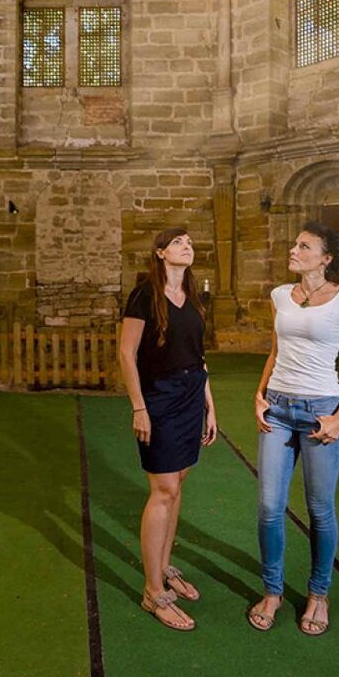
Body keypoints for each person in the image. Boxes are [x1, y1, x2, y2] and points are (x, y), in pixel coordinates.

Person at [247, 222, 339, 636]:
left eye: (304, 246)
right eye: (294, 244)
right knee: (269, 506)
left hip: (322, 411)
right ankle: (273, 592)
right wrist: (260, 394)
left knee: (319, 509)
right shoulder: (280, 295)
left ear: (325, 259)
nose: (293, 250)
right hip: (278, 409)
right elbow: (276, 351)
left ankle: (319, 594)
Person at [118, 226, 218, 631]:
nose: (186, 246)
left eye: (189, 242)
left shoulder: (193, 296)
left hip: (192, 394)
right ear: (160, 252)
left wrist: (210, 405)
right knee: (163, 489)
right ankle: (152, 591)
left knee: (178, 484)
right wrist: (139, 407)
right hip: (159, 397)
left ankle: (162, 565)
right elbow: (126, 353)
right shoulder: (144, 295)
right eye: (178, 242)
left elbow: (199, 356)